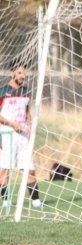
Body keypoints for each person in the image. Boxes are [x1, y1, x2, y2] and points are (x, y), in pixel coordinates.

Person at [0, 61, 43, 210]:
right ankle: (6, 201)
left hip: (23, 135)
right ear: (12, 74)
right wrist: (12, 124)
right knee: (5, 168)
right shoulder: (3, 91)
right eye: (19, 73)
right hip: (7, 134)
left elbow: (26, 112)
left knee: (29, 168)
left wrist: (29, 125)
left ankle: (36, 201)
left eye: (24, 73)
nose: (23, 76)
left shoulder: (25, 91)